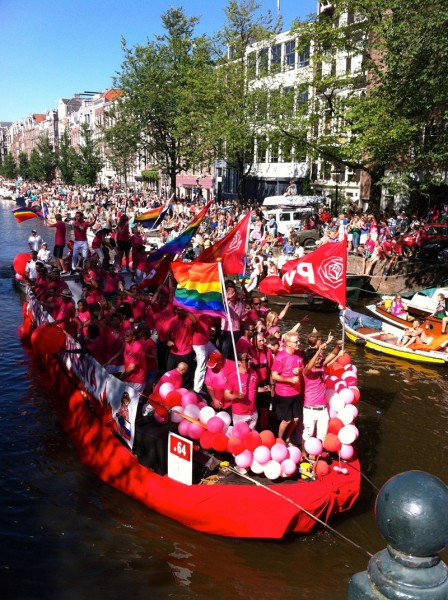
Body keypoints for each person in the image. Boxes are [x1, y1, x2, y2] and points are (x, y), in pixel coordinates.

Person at [301, 334, 342, 455]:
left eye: (319, 358)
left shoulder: (322, 367)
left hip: (322, 409)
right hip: (309, 409)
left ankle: (317, 454)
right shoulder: (306, 371)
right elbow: (309, 366)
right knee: (307, 433)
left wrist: (338, 346)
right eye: (317, 358)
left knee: (321, 434)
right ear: (310, 359)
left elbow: (333, 354)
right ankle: (304, 453)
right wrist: (318, 351)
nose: (319, 360)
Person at [271, 330, 304, 444]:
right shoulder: (280, 357)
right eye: (296, 342)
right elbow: (274, 375)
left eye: (298, 341)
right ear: (288, 343)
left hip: (297, 391)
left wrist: (299, 369)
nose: (298, 343)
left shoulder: (298, 353)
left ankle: (288, 438)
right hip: (284, 393)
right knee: (287, 420)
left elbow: (303, 367)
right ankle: (280, 440)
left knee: (296, 419)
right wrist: (289, 380)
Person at [224, 351, 258, 430]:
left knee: (251, 437)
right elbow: (226, 396)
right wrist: (236, 396)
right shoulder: (233, 376)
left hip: (253, 412)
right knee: (240, 437)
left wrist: (265, 389)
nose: (249, 361)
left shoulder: (253, 373)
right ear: (239, 362)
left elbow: (254, 389)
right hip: (240, 414)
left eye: (249, 359)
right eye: (246, 360)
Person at [120, 327, 147, 395]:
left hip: (136, 380)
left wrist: (121, 377)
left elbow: (132, 367)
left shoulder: (137, 347)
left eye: (127, 335)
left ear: (134, 337)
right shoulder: (127, 344)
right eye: (124, 335)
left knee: (131, 401)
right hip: (128, 378)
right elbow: (126, 362)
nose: (125, 337)